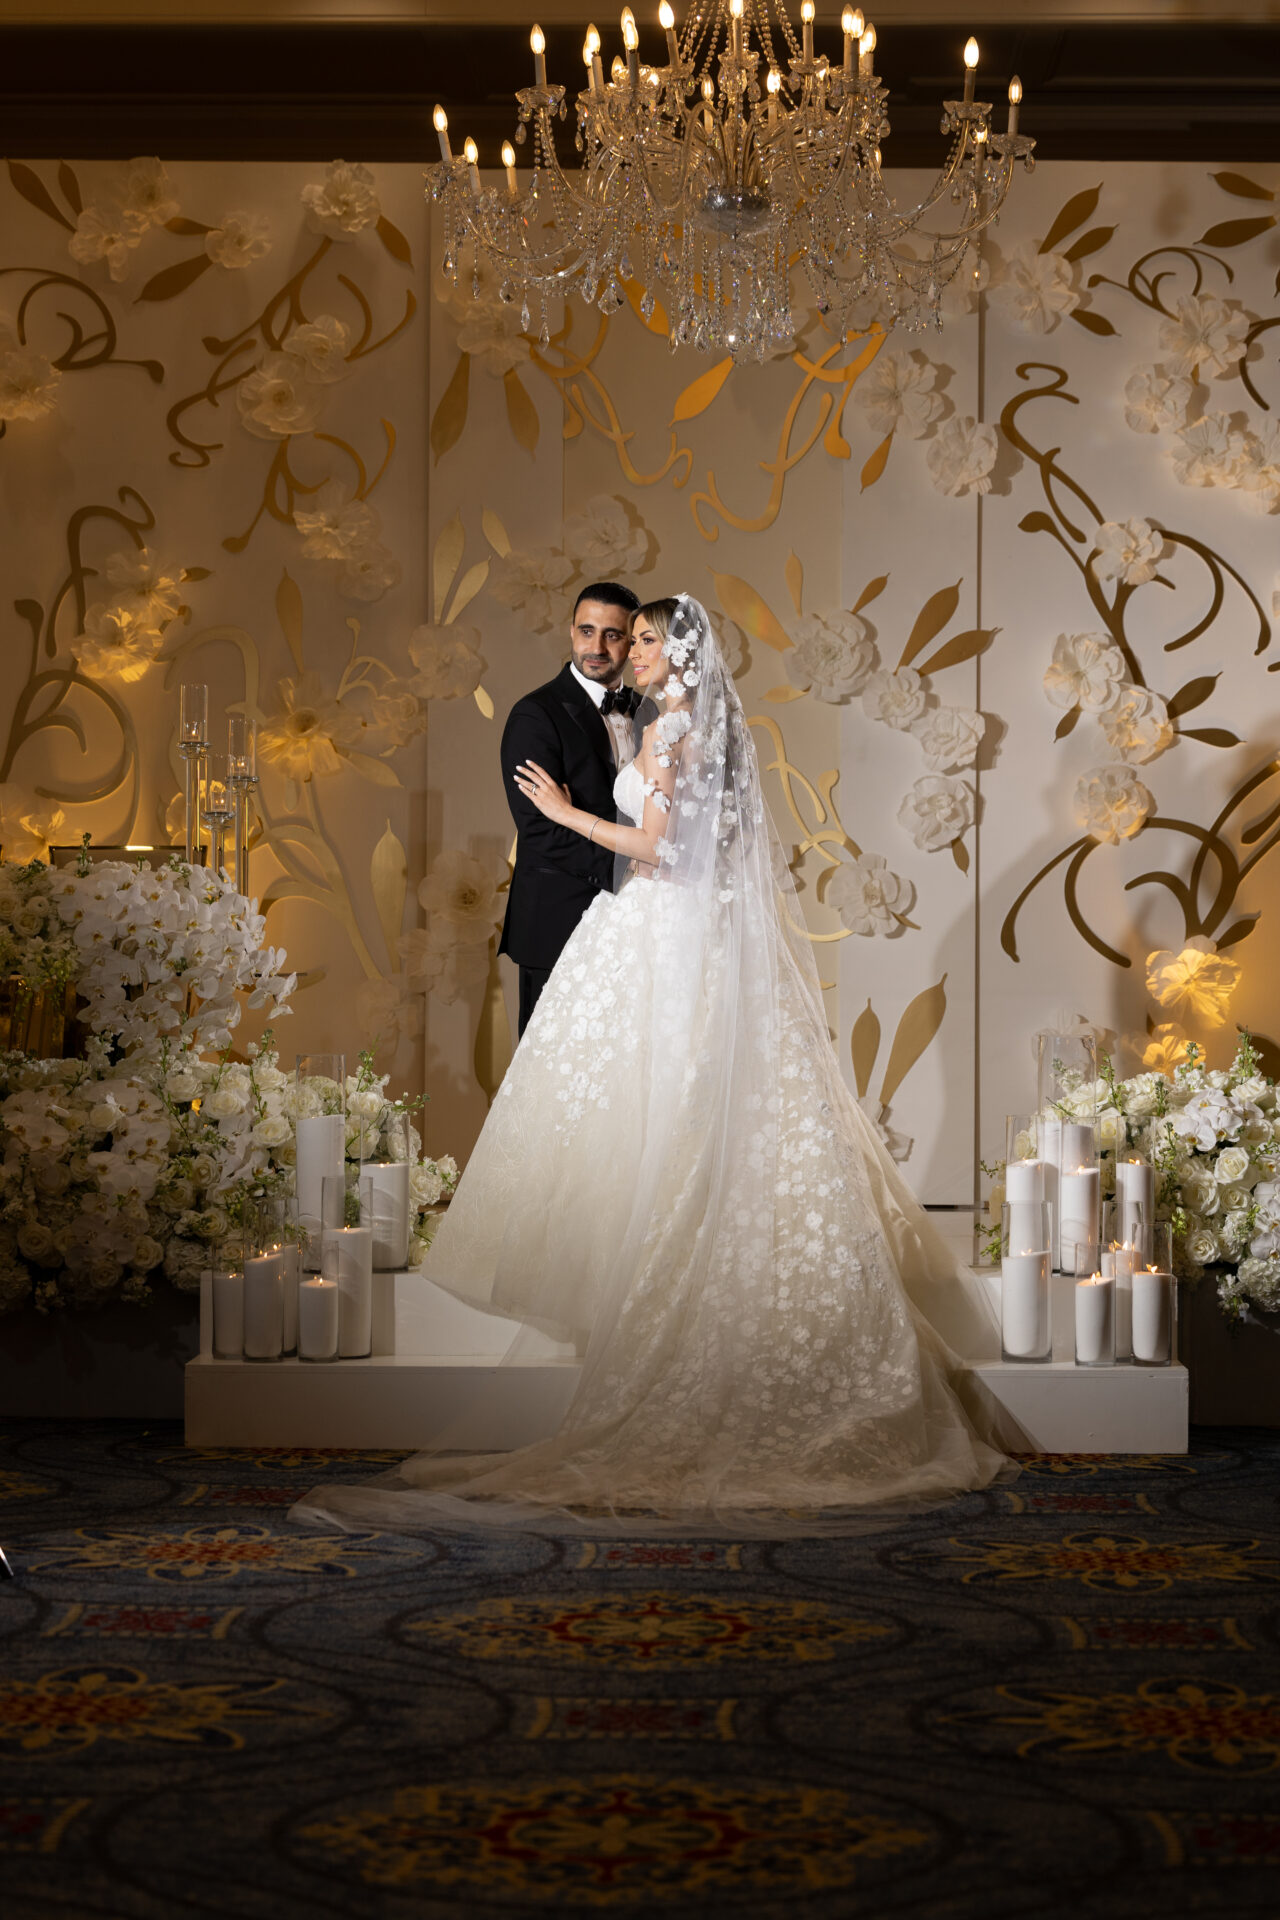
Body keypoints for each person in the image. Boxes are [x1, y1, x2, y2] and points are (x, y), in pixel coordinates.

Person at [297, 596, 1006, 1536]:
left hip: (661, 919)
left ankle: (659, 1280)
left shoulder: (674, 731)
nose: (626, 651)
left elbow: (656, 846)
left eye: (641, 640)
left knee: (658, 1102)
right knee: (666, 1100)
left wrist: (564, 811)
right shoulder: (683, 725)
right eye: (622, 638)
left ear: (672, 655)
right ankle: (645, 1265)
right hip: (678, 927)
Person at [498, 580, 642, 1036]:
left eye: (612, 635)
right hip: (558, 924)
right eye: (586, 630)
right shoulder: (535, 715)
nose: (595, 646)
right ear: (571, 632)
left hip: (637, 927)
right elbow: (541, 831)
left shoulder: (651, 713)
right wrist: (631, 872)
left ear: (632, 641)